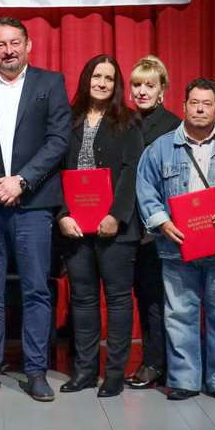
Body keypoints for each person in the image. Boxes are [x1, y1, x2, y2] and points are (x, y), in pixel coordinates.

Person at [0, 17, 71, 402]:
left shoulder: (50, 84)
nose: (8, 51)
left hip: (33, 204)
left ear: (28, 45)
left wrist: (21, 181)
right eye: (0, 44)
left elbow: (58, 140)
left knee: (36, 289)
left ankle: (35, 371)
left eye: (14, 43)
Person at [135, 78, 215, 402]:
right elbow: (145, 188)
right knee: (179, 315)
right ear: (184, 106)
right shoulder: (160, 148)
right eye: (194, 103)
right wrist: (161, 222)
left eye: (207, 104)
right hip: (176, 247)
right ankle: (184, 379)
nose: (200, 109)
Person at [55, 55, 143, 398]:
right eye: (96, 76)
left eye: (109, 78)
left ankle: (115, 374)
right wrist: (62, 214)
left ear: (116, 84)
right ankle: (85, 371)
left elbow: (132, 171)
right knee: (83, 299)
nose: (102, 83)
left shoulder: (129, 121)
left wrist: (116, 216)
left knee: (118, 300)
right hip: (75, 228)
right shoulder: (67, 120)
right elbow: (54, 170)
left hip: (115, 228)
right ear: (86, 79)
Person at [126, 55, 180, 390]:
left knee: (162, 299)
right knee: (145, 297)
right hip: (130, 224)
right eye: (137, 85)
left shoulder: (173, 125)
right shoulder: (124, 122)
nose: (142, 91)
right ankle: (153, 360)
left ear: (162, 90)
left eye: (149, 85)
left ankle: (162, 363)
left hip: (162, 225)